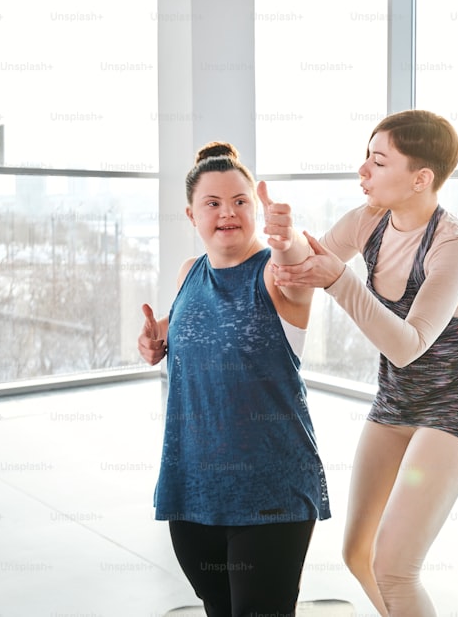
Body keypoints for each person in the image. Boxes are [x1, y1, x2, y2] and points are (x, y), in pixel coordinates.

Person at [270, 109, 458, 617]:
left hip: (453, 408)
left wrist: (338, 281)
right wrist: (283, 237)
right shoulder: (369, 220)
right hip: (396, 401)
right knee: (358, 554)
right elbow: (310, 258)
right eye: (366, 158)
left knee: (394, 566)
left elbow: (408, 344)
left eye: (377, 161)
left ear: (421, 179)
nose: (363, 172)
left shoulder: (453, 247)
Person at [137, 142, 330, 617]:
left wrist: (289, 238)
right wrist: (157, 339)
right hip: (191, 485)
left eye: (241, 201)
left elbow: (298, 263)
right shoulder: (189, 273)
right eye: (213, 203)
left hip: (270, 491)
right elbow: (185, 328)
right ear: (191, 215)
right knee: (217, 608)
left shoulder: (276, 274)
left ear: (256, 208)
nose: (228, 212)